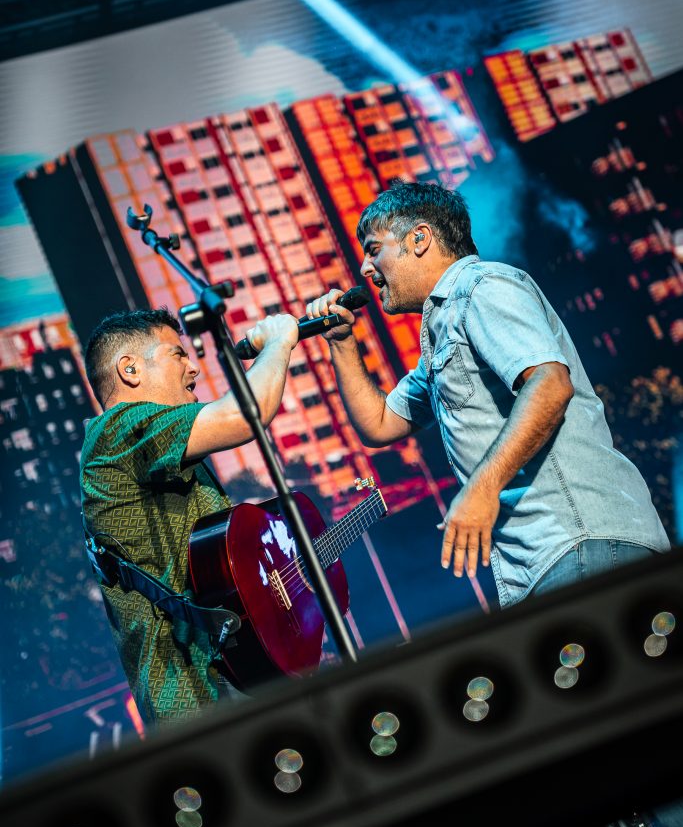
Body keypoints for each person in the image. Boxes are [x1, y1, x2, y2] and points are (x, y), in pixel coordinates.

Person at [304, 180, 670, 604]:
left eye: (373, 250)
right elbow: (380, 424)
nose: (366, 269)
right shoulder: (443, 332)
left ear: (419, 239)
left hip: (580, 540)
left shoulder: (481, 288)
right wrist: (342, 342)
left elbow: (550, 384)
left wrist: (480, 489)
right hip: (546, 563)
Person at [80, 306, 298, 725]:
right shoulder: (118, 430)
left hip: (237, 673)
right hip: (194, 696)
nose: (193, 368)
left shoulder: (167, 451)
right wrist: (280, 340)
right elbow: (243, 415)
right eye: (177, 354)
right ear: (129, 369)